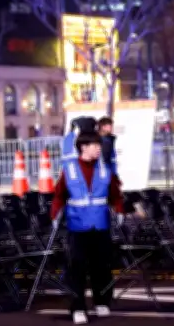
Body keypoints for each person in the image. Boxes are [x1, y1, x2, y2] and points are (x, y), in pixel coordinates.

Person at [50, 131, 124, 325]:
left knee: (102, 266)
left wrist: (119, 210)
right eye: (95, 145)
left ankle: (102, 301)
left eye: (99, 145)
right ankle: (78, 307)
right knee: (77, 268)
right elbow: (59, 195)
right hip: (77, 226)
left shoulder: (105, 169)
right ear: (83, 147)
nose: (99, 148)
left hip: (100, 224)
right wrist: (55, 214)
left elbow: (115, 194)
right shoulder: (70, 169)